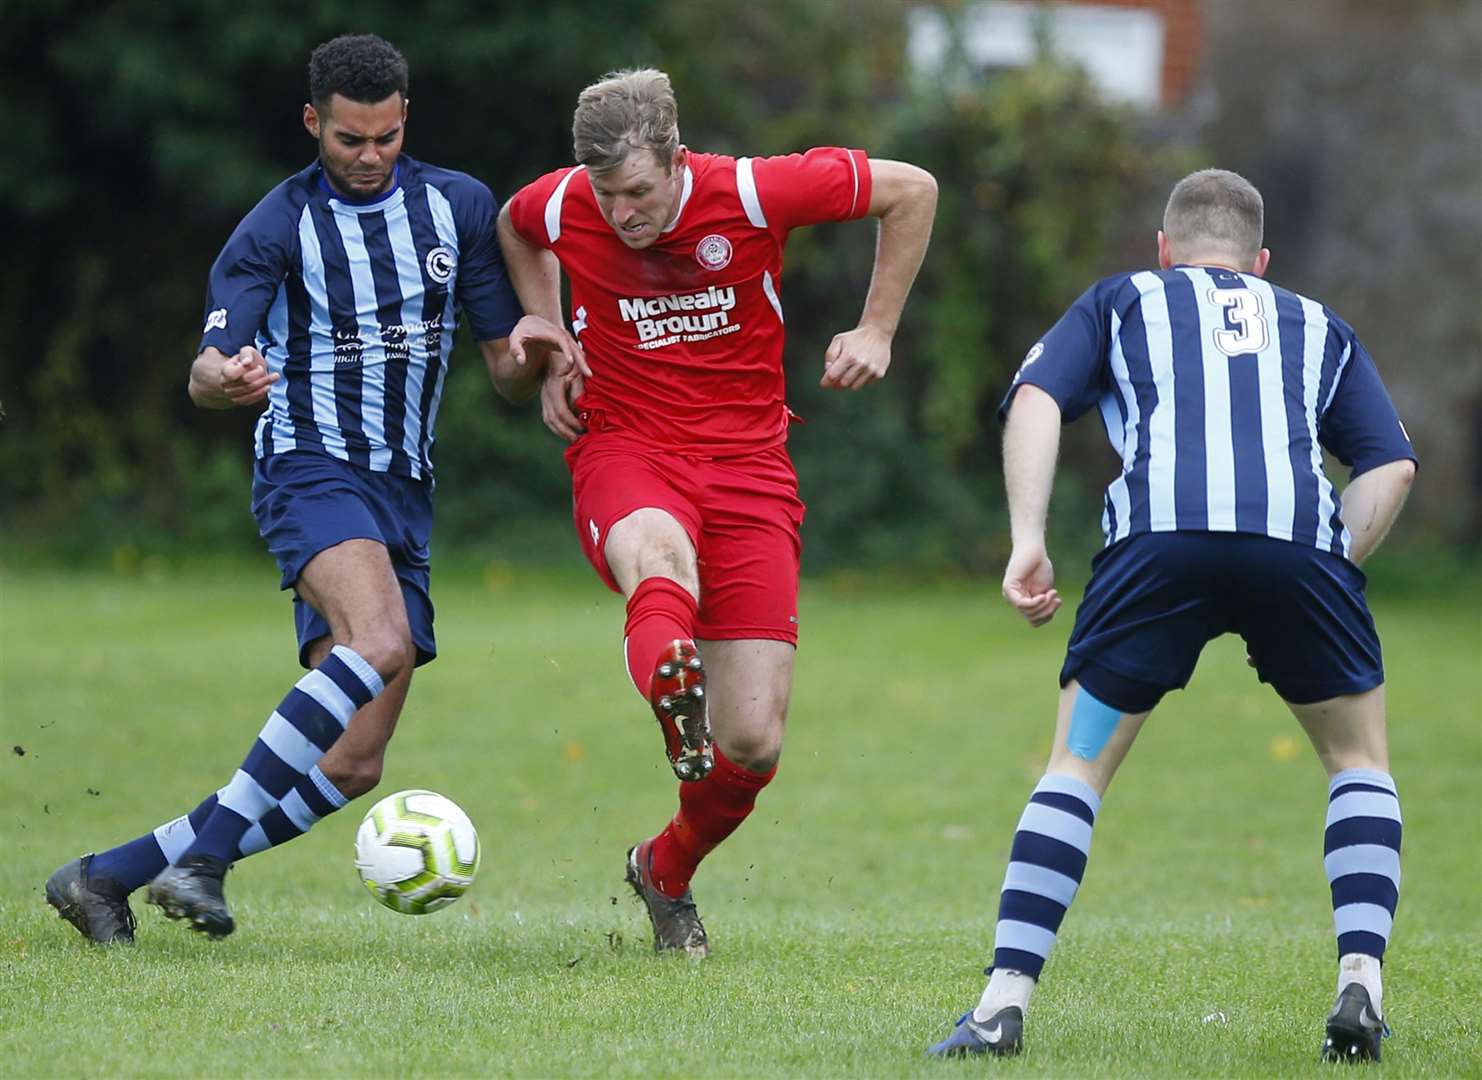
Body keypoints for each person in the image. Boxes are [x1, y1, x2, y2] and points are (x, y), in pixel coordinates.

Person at [44, 33, 540, 943]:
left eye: (386, 136)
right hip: (309, 466)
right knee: (379, 638)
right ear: (315, 123)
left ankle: (104, 876)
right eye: (351, 138)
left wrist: (532, 354)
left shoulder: (459, 207)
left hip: (404, 492)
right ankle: (204, 861)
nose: (369, 155)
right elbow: (206, 366)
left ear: (404, 121)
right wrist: (219, 380)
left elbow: (505, 371)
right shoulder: (277, 224)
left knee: (354, 765)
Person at [927, 169, 1417, 1061]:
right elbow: (1392, 465)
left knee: (1076, 765)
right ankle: (1360, 987)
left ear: (1164, 248)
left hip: (1158, 547)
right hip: (1295, 549)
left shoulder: (1122, 300)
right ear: (1260, 262)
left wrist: (1025, 538)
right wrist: (1328, 559)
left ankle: (1002, 1003)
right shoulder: (1317, 324)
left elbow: (1036, 398)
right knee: (1358, 760)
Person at [497, 68, 937, 958]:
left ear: (678, 157)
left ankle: (664, 869)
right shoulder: (565, 203)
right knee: (657, 559)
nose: (622, 214)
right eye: (608, 196)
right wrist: (552, 340)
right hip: (627, 447)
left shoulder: (752, 188)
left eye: (640, 192)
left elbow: (912, 189)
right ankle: (671, 687)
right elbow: (517, 223)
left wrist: (878, 328)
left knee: (753, 743)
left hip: (749, 470)